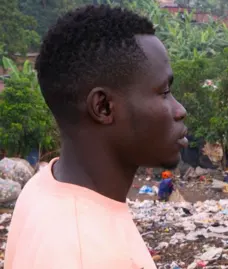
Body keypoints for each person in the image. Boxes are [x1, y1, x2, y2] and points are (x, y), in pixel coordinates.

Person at [5, 5, 187, 269]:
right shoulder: (88, 256)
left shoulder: (43, 186)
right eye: (164, 91)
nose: (180, 110)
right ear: (103, 107)